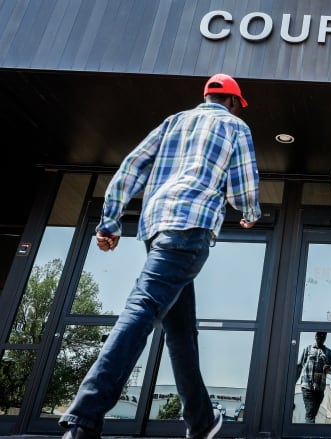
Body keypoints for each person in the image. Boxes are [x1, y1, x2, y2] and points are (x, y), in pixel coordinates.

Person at [58, 73, 262, 439]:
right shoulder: (235, 126)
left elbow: (130, 168)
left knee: (181, 332)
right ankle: (84, 417)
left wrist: (110, 221)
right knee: (142, 310)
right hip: (191, 230)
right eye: (237, 103)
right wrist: (250, 213)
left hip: (156, 229)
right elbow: (243, 186)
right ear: (232, 101)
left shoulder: (173, 122)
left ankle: (200, 421)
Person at [296, 332, 331, 424]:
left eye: (323, 336)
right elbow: (299, 366)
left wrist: (328, 368)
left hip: (320, 389)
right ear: (315, 336)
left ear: (325, 337)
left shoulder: (328, 352)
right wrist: (292, 382)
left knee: (312, 414)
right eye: (319, 335)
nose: (320, 337)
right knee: (310, 414)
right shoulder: (307, 349)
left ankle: (308, 432)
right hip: (307, 386)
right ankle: (309, 434)